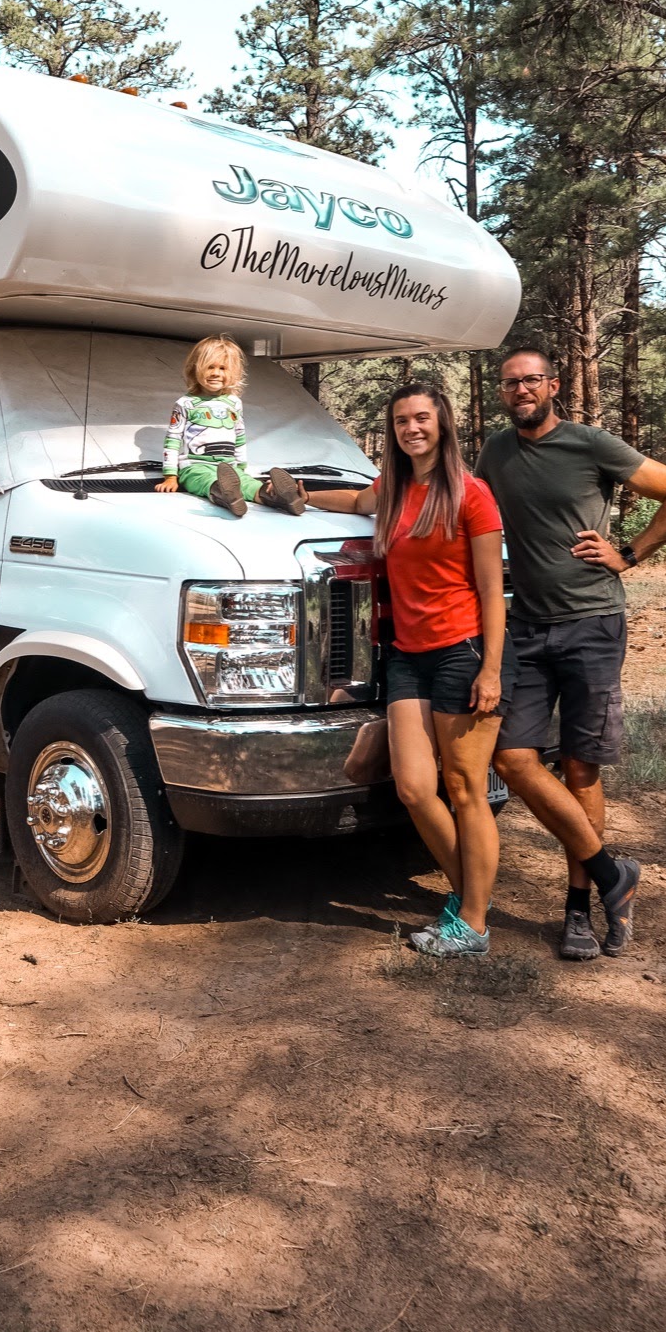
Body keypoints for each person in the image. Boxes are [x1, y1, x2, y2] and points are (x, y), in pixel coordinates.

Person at [475, 345, 666, 961]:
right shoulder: (494, 452)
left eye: (531, 381)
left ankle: (578, 909)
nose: (520, 390)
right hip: (526, 626)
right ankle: (611, 874)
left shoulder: (590, 444)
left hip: (591, 624)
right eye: (510, 383)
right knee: (513, 757)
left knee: (580, 769)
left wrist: (629, 553)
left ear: (553, 385)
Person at [310, 380, 515, 958]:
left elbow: (493, 591)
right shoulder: (394, 490)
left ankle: (471, 924)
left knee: (466, 789)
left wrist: (491, 671)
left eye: (421, 418)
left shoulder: (472, 495)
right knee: (415, 788)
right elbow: (354, 502)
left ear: (442, 423)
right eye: (401, 421)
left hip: (463, 652)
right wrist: (297, 493)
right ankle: (471, 898)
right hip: (408, 656)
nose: (411, 429)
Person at [155, 336, 306, 517]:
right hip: (195, 466)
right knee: (204, 481)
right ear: (195, 368)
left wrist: (241, 468)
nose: (216, 373)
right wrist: (170, 476)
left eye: (223, 368)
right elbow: (172, 440)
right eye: (210, 367)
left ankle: (276, 497)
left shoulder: (234, 403)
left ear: (233, 373)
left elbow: (239, 437)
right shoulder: (186, 403)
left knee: (250, 485)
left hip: (229, 468)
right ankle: (225, 494)